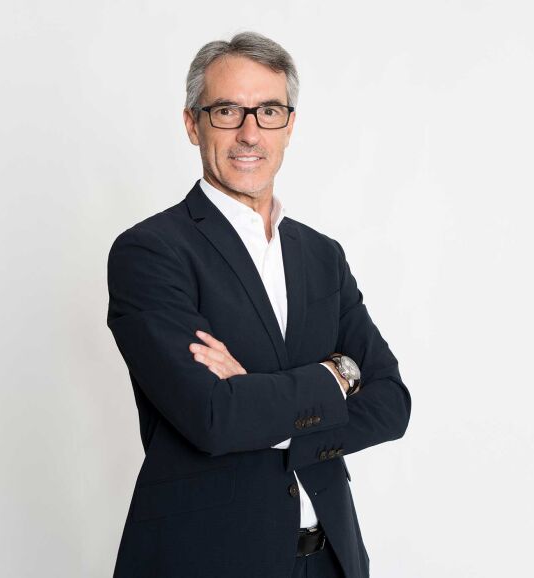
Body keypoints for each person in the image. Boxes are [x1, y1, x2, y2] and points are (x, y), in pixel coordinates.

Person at [106, 31, 412, 578]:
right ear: (192, 124)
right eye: (227, 111)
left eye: (268, 111)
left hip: (332, 559)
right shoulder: (150, 252)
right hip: (208, 562)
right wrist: (336, 377)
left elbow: (391, 403)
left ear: (289, 126)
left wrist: (258, 397)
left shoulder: (321, 255)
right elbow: (213, 416)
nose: (250, 133)